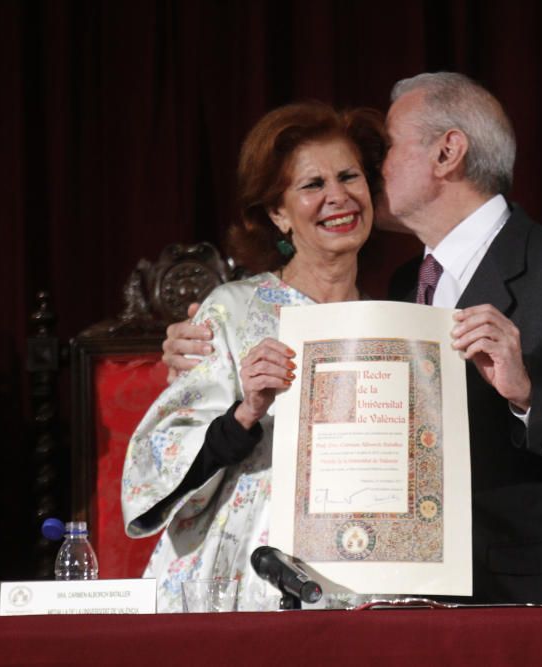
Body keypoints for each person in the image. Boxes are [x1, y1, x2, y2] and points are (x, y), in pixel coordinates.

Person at [163, 72, 542, 606]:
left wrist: (527, 395)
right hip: (393, 588)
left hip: (526, 587)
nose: (376, 169)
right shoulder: (403, 286)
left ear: (448, 152)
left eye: (388, 149)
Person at [121, 101, 386, 612]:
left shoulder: (392, 321)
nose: (338, 197)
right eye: (313, 185)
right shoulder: (231, 310)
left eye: (349, 176)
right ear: (277, 213)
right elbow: (157, 460)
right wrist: (245, 413)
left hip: (362, 567)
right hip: (243, 571)